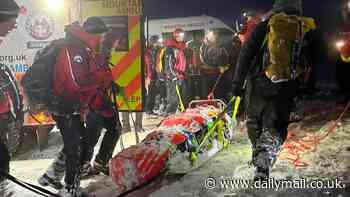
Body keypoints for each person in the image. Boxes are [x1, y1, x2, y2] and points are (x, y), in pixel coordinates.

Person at [231, 0, 319, 180]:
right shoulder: (305, 29)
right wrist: (307, 87)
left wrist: (237, 83)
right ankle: (264, 157)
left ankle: (260, 157)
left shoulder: (265, 26)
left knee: (254, 122)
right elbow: (314, 60)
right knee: (276, 125)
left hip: (258, 82)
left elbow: (245, 55)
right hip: (286, 86)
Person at [36, 17, 115, 197]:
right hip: (63, 105)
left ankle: (51, 176)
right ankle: (70, 189)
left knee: (78, 144)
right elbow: (78, 81)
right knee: (78, 146)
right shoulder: (74, 49)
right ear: (94, 34)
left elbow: (89, 80)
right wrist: (103, 78)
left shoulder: (85, 48)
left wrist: (101, 98)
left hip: (73, 105)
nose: (103, 39)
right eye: (102, 35)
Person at [200, 29, 241, 102]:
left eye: (216, 35)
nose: (215, 36)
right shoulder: (204, 47)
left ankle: (224, 103)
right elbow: (205, 61)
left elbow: (227, 57)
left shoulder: (221, 45)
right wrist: (218, 68)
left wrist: (226, 65)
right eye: (213, 35)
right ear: (208, 35)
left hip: (221, 73)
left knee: (222, 91)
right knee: (213, 92)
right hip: (210, 74)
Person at [161, 28, 188, 114]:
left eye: (182, 35)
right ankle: (169, 114)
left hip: (180, 76)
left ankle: (180, 114)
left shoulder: (180, 48)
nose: (182, 37)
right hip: (173, 78)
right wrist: (173, 76)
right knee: (173, 99)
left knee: (183, 97)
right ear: (175, 36)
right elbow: (168, 65)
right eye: (180, 35)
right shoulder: (170, 49)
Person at [145, 35, 163, 115]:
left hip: (157, 74)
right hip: (149, 74)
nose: (157, 43)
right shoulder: (146, 51)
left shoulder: (159, 50)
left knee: (154, 92)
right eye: (155, 41)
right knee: (151, 92)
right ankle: (148, 109)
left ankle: (151, 109)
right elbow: (147, 63)